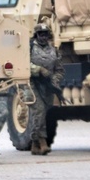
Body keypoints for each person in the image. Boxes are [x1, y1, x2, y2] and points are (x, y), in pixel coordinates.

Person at [28, 22, 63, 155]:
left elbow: (59, 69)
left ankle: (34, 143)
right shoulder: (29, 48)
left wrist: (54, 81)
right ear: (36, 35)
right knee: (39, 110)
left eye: (45, 34)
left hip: (47, 86)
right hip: (32, 83)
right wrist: (38, 69)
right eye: (40, 34)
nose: (43, 37)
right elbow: (23, 64)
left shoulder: (54, 50)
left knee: (43, 113)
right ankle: (42, 142)